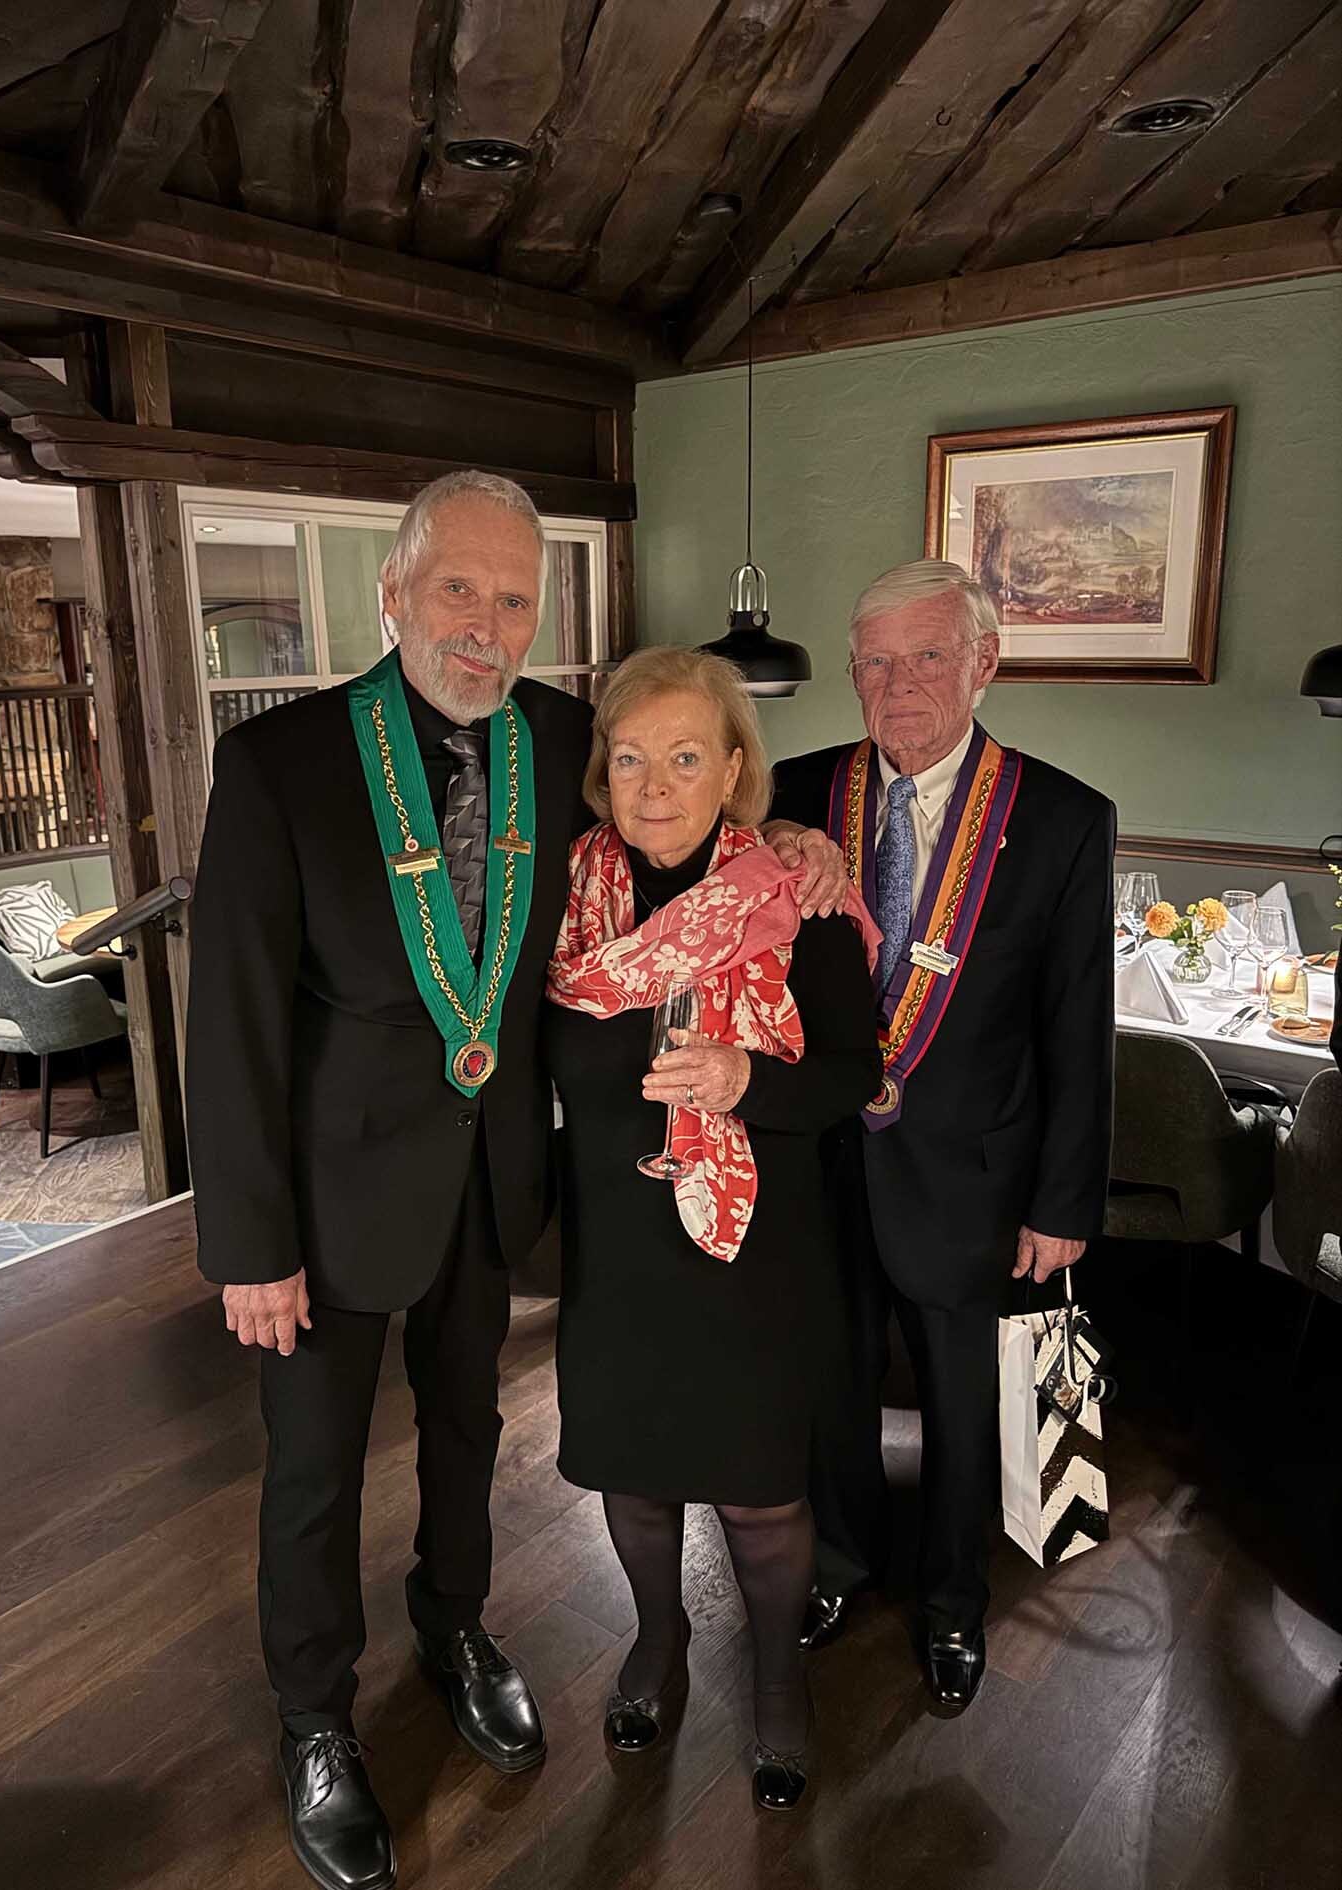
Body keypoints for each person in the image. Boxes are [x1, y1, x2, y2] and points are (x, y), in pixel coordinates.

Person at [186, 474, 849, 1890]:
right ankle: (315, 1717)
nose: (483, 626)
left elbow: (696, 793)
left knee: (467, 1433)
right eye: (456, 590)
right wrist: (248, 1241)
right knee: (310, 1473)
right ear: (392, 591)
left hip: (490, 1180)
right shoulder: (280, 761)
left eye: (511, 599)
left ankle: (455, 1626)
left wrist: (797, 839)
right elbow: (229, 1017)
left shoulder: (560, 740)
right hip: (325, 1200)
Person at [771, 559, 1116, 1714]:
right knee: (828, 1387)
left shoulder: (1061, 818)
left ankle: (953, 1602)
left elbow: (1076, 1026)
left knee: (965, 1407)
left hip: (973, 1176)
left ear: (984, 664)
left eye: (927, 656)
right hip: (821, 1166)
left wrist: (1063, 1203)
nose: (898, 683)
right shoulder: (798, 793)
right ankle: (837, 1565)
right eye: (874, 661)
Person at [545, 647, 882, 1813]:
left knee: (757, 1493)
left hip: (751, 1252)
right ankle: (658, 1636)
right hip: (614, 1244)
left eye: (686, 758)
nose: (653, 785)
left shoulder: (794, 898)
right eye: (631, 757)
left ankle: (777, 1674)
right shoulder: (565, 897)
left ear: (734, 769)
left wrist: (747, 1079)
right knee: (631, 1477)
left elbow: (852, 1073)